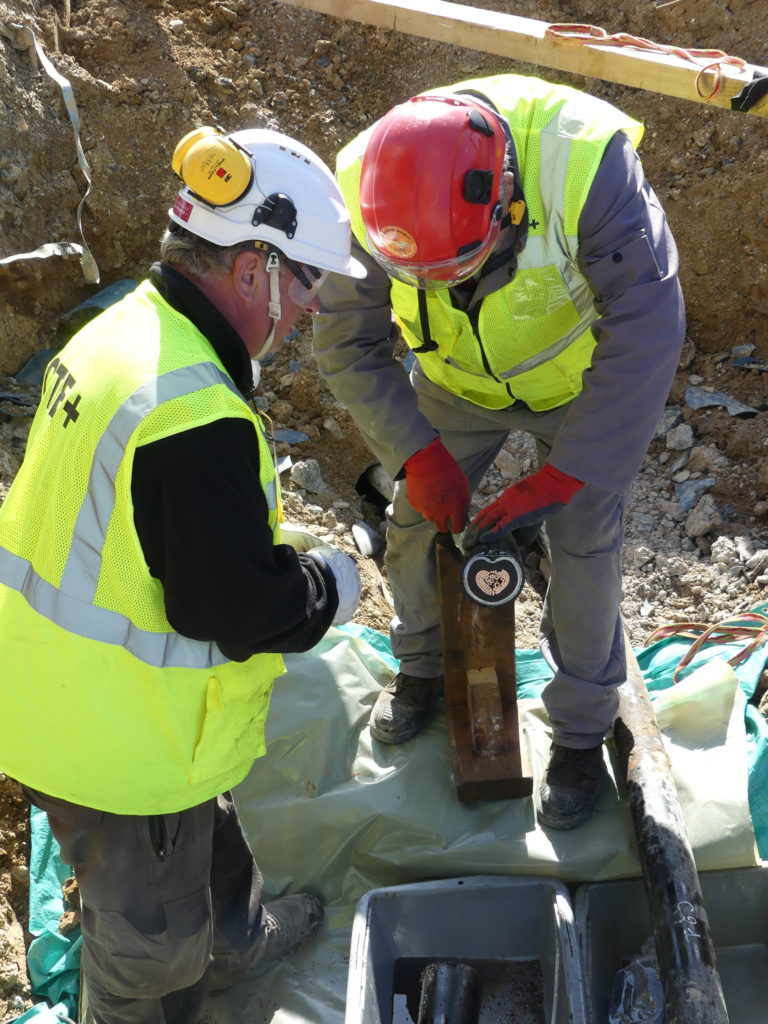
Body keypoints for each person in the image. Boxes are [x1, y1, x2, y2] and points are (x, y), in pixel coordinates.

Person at [0, 125, 365, 1023]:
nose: (313, 306)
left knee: (208, 854)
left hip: (61, 688)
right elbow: (236, 610)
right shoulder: (189, 413)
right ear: (252, 269)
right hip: (116, 742)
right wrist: (333, 584)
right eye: (307, 279)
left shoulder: (126, 328)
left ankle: (233, 943)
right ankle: (148, 996)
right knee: (150, 955)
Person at [312, 73, 685, 830]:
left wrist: (570, 470)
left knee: (583, 541)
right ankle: (421, 666)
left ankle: (580, 732)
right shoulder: (364, 188)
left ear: (508, 199)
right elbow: (347, 342)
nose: (445, 290)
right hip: (454, 381)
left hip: (578, 380)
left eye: (459, 270)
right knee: (415, 517)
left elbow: (648, 322)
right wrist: (416, 453)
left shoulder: (585, 164)